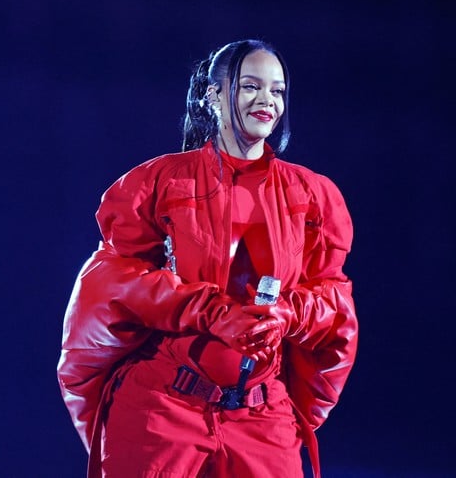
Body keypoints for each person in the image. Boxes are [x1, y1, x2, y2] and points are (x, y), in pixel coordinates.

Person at [57, 39, 358, 477]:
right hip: (163, 409)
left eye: (277, 91)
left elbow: (333, 297)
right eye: (250, 86)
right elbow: (113, 282)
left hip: (260, 411)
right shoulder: (157, 183)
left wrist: (288, 315)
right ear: (213, 95)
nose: (267, 101)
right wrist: (210, 312)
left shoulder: (312, 195)